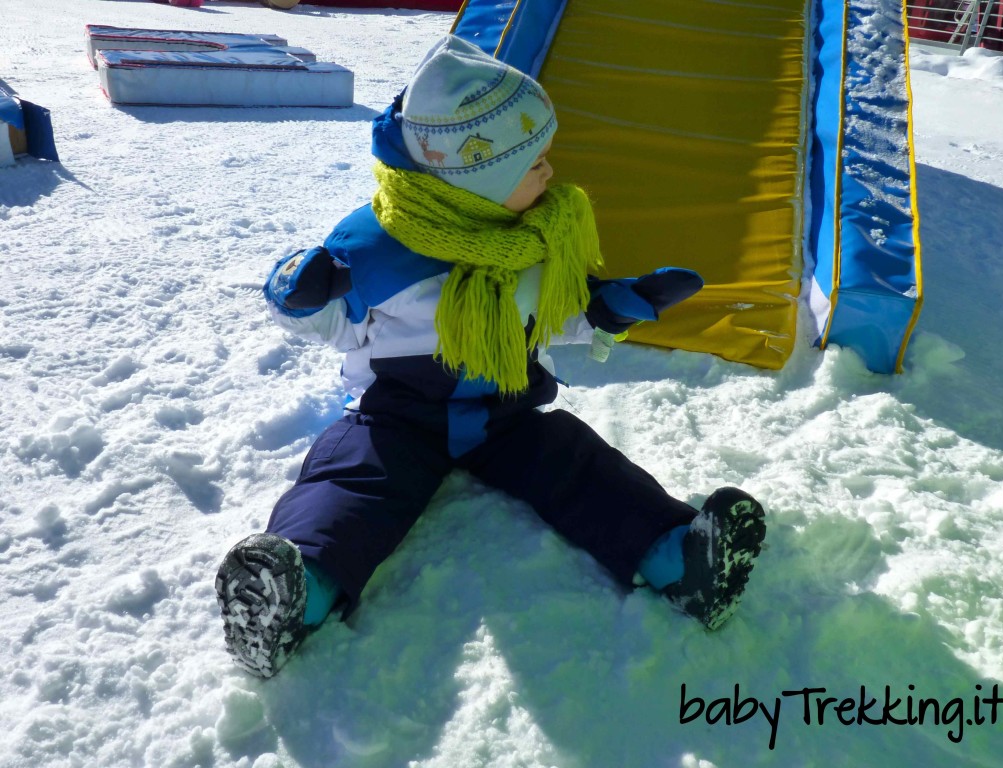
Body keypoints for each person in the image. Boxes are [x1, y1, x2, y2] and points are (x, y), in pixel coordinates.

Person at [214, 36, 766, 679]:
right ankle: (293, 595)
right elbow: (331, 323)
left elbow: (553, 314)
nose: (550, 175)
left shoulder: (535, 241)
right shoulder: (376, 250)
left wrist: (609, 309)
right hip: (399, 415)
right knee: (354, 480)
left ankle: (679, 559)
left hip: (506, 410)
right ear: (476, 178)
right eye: (533, 165)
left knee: (577, 460)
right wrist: (300, 295)